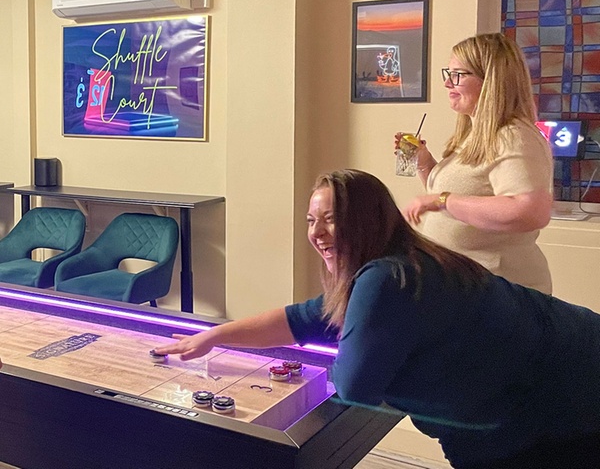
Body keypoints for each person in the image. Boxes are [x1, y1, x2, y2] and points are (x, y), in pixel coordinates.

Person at [155, 169, 600, 469]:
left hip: (560, 407)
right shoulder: (402, 261)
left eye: (331, 220)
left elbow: (355, 386)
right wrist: (214, 336)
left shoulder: (387, 278)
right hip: (562, 384)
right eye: (311, 220)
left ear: (367, 222)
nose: (316, 233)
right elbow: (303, 318)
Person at [397, 33, 554, 294]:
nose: (447, 83)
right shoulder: (474, 135)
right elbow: (466, 197)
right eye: (448, 73)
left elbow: (530, 211)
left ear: (490, 81)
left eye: (458, 75)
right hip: (464, 286)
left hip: (499, 292)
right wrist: (425, 163)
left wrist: (442, 201)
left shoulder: (513, 136)